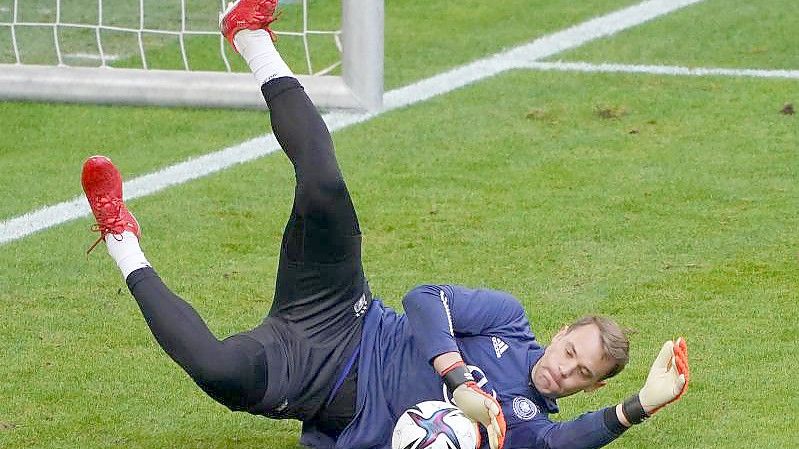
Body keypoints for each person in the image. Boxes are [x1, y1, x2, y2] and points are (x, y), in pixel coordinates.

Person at [81, 0, 690, 448]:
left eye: (582, 374)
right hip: (345, 312)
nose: (566, 368)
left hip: (311, 384)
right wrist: (455, 379)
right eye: (571, 351)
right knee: (324, 186)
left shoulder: (526, 429)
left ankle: (119, 237)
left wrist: (639, 407)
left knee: (215, 370)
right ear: (560, 331)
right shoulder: (507, 317)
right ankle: (248, 35)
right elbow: (424, 299)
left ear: (585, 389)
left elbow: (569, 443)